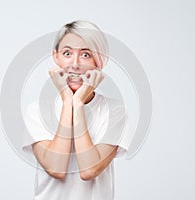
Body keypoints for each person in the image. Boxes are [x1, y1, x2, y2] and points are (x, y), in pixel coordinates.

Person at [22, 20, 129, 200]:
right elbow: (56, 168)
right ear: (56, 57)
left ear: (100, 61)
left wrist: (77, 103)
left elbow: (89, 170)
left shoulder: (114, 111)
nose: (75, 64)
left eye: (86, 54)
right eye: (67, 53)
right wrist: (66, 101)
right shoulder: (37, 110)